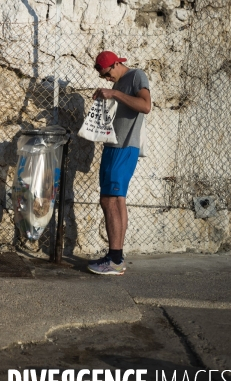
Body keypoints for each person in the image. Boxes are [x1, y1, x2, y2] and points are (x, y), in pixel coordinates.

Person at [87, 51, 151, 276]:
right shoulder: (118, 83)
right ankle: (117, 256)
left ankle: (114, 260)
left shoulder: (136, 76)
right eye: (103, 77)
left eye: (107, 74)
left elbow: (145, 105)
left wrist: (114, 93)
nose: (106, 79)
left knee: (109, 200)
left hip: (124, 147)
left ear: (115, 64)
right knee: (117, 200)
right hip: (112, 146)